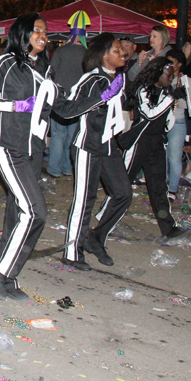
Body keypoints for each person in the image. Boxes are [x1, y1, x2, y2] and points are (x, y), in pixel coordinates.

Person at [0, 13, 122, 301]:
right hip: (9, 147)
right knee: (35, 212)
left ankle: (6, 270)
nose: (43, 35)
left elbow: (65, 110)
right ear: (23, 34)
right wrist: (16, 105)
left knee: (19, 212)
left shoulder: (45, 71)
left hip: (33, 152)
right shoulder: (7, 63)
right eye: (37, 30)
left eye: (45, 31)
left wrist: (100, 98)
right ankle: (1, 273)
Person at [62, 34, 132, 270]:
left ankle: (96, 238)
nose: (122, 52)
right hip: (87, 146)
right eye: (116, 49)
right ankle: (72, 252)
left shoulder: (119, 78)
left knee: (123, 193)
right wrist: (101, 98)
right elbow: (68, 108)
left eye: (122, 49)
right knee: (85, 200)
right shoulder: (91, 80)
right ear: (104, 55)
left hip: (109, 146)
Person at [103, 57, 191, 241]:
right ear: (158, 73)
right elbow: (149, 115)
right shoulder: (144, 90)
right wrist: (170, 99)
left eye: (172, 74)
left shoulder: (166, 93)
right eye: (168, 73)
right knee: (122, 183)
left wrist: (173, 105)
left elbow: (167, 123)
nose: (171, 77)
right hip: (139, 143)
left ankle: (168, 227)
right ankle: (103, 221)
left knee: (159, 187)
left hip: (156, 144)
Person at [46, 38, 86, 178]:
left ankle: (54, 169)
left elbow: (51, 72)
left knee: (57, 135)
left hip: (61, 99)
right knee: (71, 137)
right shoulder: (87, 53)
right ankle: (67, 167)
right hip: (77, 101)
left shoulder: (61, 51)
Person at [164, 49, 191, 202]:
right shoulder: (163, 77)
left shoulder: (186, 81)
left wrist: (178, 98)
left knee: (174, 157)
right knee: (161, 156)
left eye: (172, 62)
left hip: (177, 121)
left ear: (180, 64)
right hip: (162, 122)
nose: (169, 65)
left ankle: (172, 189)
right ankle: (162, 186)